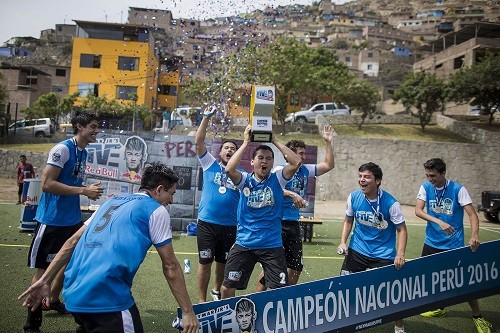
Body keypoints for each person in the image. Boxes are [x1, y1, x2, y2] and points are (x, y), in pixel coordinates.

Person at [19, 162, 200, 333]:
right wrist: (188, 312)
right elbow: (170, 266)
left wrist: (45, 280)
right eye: (172, 193)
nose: (172, 199)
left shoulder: (110, 203)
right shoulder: (156, 210)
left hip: (74, 295)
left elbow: (71, 242)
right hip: (106, 297)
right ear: (159, 190)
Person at [22, 112, 104, 333]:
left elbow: (70, 180)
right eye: (93, 127)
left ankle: (54, 299)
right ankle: (32, 322)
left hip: (72, 220)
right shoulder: (62, 149)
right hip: (52, 221)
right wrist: (83, 190)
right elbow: (47, 183)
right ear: (79, 127)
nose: (96, 130)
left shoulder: (83, 151)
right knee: (43, 272)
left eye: (97, 127)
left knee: (70, 264)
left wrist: (87, 190)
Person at [221, 125, 301, 298]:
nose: (264, 162)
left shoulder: (278, 179)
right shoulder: (244, 180)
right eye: (260, 158)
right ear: (252, 161)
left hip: (271, 245)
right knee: (227, 288)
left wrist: (275, 141)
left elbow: (296, 162)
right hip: (245, 243)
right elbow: (229, 170)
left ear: (272, 163)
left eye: (269, 159)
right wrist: (245, 143)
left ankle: (271, 322)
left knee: (280, 291)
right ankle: (230, 321)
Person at [415, 158, 492, 333]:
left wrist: (474, 235)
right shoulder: (426, 187)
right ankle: (439, 307)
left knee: (463, 283)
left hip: (453, 245)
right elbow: (418, 210)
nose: (429, 178)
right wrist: (438, 221)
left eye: (433, 175)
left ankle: (478, 317)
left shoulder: (458, 189)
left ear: (443, 173)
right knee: (430, 278)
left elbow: (472, 215)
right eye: (427, 174)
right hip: (431, 242)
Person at [256, 124, 335, 291]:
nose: (304, 157)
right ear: (289, 155)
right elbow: (271, 188)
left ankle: (285, 299)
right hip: (277, 223)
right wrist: (293, 194)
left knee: (296, 266)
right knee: (270, 267)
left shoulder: (306, 170)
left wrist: (328, 142)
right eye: (300, 153)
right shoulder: (279, 170)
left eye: (304, 153)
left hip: (293, 223)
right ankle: (258, 300)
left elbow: (328, 165)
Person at [337, 162, 408, 333]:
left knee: (391, 294)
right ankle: (342, 325)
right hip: (357, 250)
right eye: (360, 176)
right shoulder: (354, 197)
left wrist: (400, 253)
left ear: (378, 181)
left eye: (367, 176)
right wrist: (343, 242)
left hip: (383, 254)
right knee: (344, 288)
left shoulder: (391, 203)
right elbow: (348, 220)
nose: (362, 180)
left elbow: (402, 229)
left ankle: (399, 328)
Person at [195, 106, 240, 303]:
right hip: (207, 223)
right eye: (227, 148)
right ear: (220, 151)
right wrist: (206, 118)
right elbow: (198, 142)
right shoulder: (210, 164)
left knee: (223, 262)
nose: (230, 150)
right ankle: (202, 300)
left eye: (233, 149)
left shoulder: (240, 175)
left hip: (230, 225)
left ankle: (216, 291)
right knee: (205, 262)